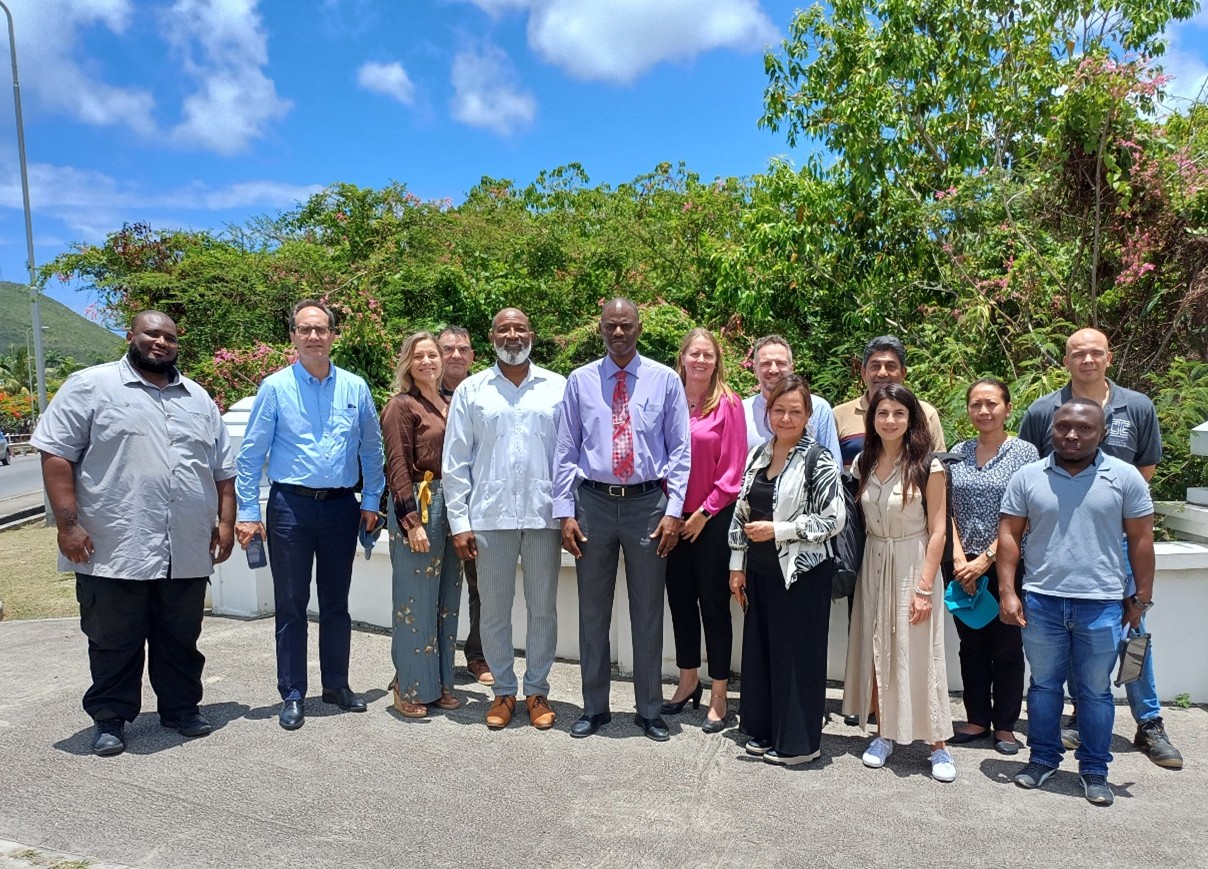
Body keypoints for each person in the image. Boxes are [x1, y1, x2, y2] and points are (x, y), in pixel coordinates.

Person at [33, 311, 236, 756]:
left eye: (170, 337)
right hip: (115, 544)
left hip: (185, 545)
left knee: (180, 636)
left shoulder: (199, 398)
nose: (161, 342)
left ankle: (181, 709)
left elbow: (223, 471)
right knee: (113, 639)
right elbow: (56, 455)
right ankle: (110, 718)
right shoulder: (90, 386)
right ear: (131, 336)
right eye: (152, 334)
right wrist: (68, 526)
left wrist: (224, 523)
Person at [1018, 327, 1181, 769]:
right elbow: (1032, 471)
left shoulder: (1137, 406)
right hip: (1059, 546)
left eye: (1095, 352)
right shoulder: (1043, 410)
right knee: (1069, 626)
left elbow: (1144, 469)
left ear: (1109, 357)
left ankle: (1149, 721)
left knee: (1133, 630)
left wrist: (1109, 511)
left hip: (1119, 541)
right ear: (1066, 360)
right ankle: (1079, 713)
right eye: (1077, 353)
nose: (1087, 360)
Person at [234, 299, 384, 731]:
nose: (314, 336)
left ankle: (336, 685)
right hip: (290, 508)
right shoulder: (275, 388)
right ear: (293, 337)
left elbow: (371, 448)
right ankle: (293, 693)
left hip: (341, 507)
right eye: (305, 329)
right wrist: (248, 512)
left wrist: (371, 501)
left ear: (333, 335)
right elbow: (251, 456)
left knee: (336, 603)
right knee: (291, 604)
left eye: (321, 329)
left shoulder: (355, 387)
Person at [1000, 398, 1155, 806]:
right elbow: (1009, 535)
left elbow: (1141, 539)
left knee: (1096, 692)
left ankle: (1095, 769)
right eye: (1063, 426)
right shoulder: (1028, 476)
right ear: (1051, 430)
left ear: (1101, 433)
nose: (1071, 435)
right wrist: (1008, 591)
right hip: (1042, 601)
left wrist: (1142, 598)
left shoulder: (1125, 477)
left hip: (1101, 604)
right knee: (1044, 687)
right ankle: (1042, 759)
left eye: (1084, 428)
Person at [553, 298, 691, 742]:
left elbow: (680, 450)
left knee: (647, 611)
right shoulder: (580, 381)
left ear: (638, 328)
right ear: (600, 329)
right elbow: (565, 449)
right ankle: (594, 708)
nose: (618, 332)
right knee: (593, 610)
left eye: (626, 325)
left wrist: (674, 511)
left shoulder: (665, 380)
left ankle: (649, 710)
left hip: (647, 505)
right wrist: (564, 511)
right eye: (610, 325)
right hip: (592, 503)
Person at [443, 308, 567, 730]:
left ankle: (537, 690)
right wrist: (459, 522)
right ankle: (503, 692)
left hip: (543, 515)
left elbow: (569, 456)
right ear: (492, 336)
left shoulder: (557, 387)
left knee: (543, 609)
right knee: (494, 610)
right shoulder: (472, 391)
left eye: (519, 328)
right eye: (503, 329)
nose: (512, 335)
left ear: (531, 334)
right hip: (490, 516)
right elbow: (455, 461)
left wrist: (569, 512)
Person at [728, 376, 845, 765]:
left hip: (802, 574)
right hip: (760, 571)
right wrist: (737, 565)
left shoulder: (818, 459)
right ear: (767, 413)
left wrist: (779, 530)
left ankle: (799, 744)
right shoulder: (757, 455)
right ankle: (765, 730)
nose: (786, 418)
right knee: (763, 653)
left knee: (797, 658)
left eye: (795, 411)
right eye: (779, 410)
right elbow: (742, 512)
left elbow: (833, 520)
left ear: (808, 415)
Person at [842, 383, 956, 782]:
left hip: (913, 562)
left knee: (922, 650)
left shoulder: (928, 466)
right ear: (872, 419)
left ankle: (938, 745)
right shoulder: (863, 463)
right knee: (879, 649)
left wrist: (924, 587)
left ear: (912, 419)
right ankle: (884, 733)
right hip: (874, 561)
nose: (890, 420)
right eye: (882, 413)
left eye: (898, 413)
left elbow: (939, 530)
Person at [945, 379, 1037, 755]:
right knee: (971, 645)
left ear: (1008, 408)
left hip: (1007, 564)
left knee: (1008, 645)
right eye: (976, 404)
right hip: (961, 566)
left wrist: (987, 558)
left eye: (992, 403)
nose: (983, 411)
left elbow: (1028, 512)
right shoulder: (958, 452)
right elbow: (945, 508)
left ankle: (1006, 726)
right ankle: (977, 719)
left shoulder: (1025, 453)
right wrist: (958, 558)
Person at [662, 328, 747, 732]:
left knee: (713, 607)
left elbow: (733, 470)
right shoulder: (668, 398)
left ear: (717, 362)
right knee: (680, 602)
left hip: (712, 521)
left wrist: (703, 513)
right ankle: (687, 681)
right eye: (694, 353)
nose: (700, 361)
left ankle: (719, 693)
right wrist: (671, 512)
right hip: (671, 520)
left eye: (707, 355)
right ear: (682, 357)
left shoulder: (728, 403)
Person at [380, 331, 463, 719]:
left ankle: (441, 682)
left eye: (433, 355)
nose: (427, 362)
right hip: (420, 502)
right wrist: (410, 521)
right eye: (419, 356)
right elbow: (397, 465)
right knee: (414, 600)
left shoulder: (452, 402)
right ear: (408, 364)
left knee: (446, 600)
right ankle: (409, 686)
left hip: (453, 504)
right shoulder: (401, 406)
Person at [436, 325, 492, 686]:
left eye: (463, 349)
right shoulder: (422, 395)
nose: (455, 355)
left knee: (481, 585)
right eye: (447, 349)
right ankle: (426, 662)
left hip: (476, 504)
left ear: (473, 356)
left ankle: (478, 654)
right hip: (432, 501)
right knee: (430, 587)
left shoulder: (485, 393)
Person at [833, 335, 946, 469]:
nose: (882, 373)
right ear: (863, 372)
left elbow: (941, 465)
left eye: (890, 366)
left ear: (903, 373)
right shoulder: (839, 415)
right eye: (875, 366)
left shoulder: (925, 413)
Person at [742, 335, 841, 459]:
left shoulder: (819, 408)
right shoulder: (741, 411)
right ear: (755, 370)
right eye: (765, 364)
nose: (773, 370)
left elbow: (832, 461)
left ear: (791, 368)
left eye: (780, 363)